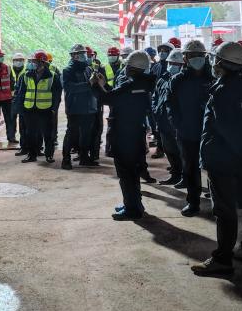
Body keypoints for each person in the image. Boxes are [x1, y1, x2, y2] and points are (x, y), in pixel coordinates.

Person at [192, 41, 242, 276]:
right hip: (241, 158)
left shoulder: (222, 91)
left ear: (222, 63)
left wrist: (240, 152)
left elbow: (225, 127)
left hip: (223, 158)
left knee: (224, 209)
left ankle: (223, 259)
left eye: (216, 60)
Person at [92, 50, 156, 220]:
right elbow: (116, 96)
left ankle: (132, 209)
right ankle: (134, 203)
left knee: (126, 174)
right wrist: (104, 85)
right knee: (132, 172)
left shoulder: (131, 84)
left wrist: (96, 85)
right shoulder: (143, 83)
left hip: (124, 135)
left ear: (132, 68)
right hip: (135, 132)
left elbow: (108, 99)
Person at [167, 39, 214, 216]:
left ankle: (218, 200)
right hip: (187, 132)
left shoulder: (213, 78)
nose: (196, 58)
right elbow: (170, 104)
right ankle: (193, 202)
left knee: (214, 167)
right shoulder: (178, 80)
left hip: (211, 132)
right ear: (185, 58)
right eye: (192, 55)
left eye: (200, 55)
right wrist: (177, 124)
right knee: (190, 168)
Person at [61, 43, 99, 169]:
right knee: (71, 134)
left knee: (86, 135)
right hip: (75, 108)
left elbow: (93, 86)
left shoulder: (88, 69)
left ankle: (84, 158)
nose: (84, 56)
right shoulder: (67, 71)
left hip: (89, 108)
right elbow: (70, 88)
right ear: (73, 56)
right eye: (81, 54)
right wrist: (89, 84)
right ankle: (66, 160)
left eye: (84, 53)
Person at [21, 50, 62, 163]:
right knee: (30, 134)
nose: (33, 63)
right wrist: (22, 108)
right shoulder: (26, 75)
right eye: (32, 61)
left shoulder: (52, 76)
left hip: (46, 109)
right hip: (30, 109)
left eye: (35, 61)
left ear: (42, 63)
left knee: (48, 134)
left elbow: (57, 94)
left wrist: (54, 109)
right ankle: (31, 155)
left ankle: (49, 155)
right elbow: (22, 92)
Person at [152, 49, 185, 186]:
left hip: (177, 123)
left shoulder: (183, 81)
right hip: (163, 121)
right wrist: (155, 110)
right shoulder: (162, 79)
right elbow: (155, 97)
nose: (172, 66)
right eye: (171, 63)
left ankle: (185, 178)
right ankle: (175, 174)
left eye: (176, 64)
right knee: (169, 150)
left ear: (182, 65)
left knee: (181, 152)